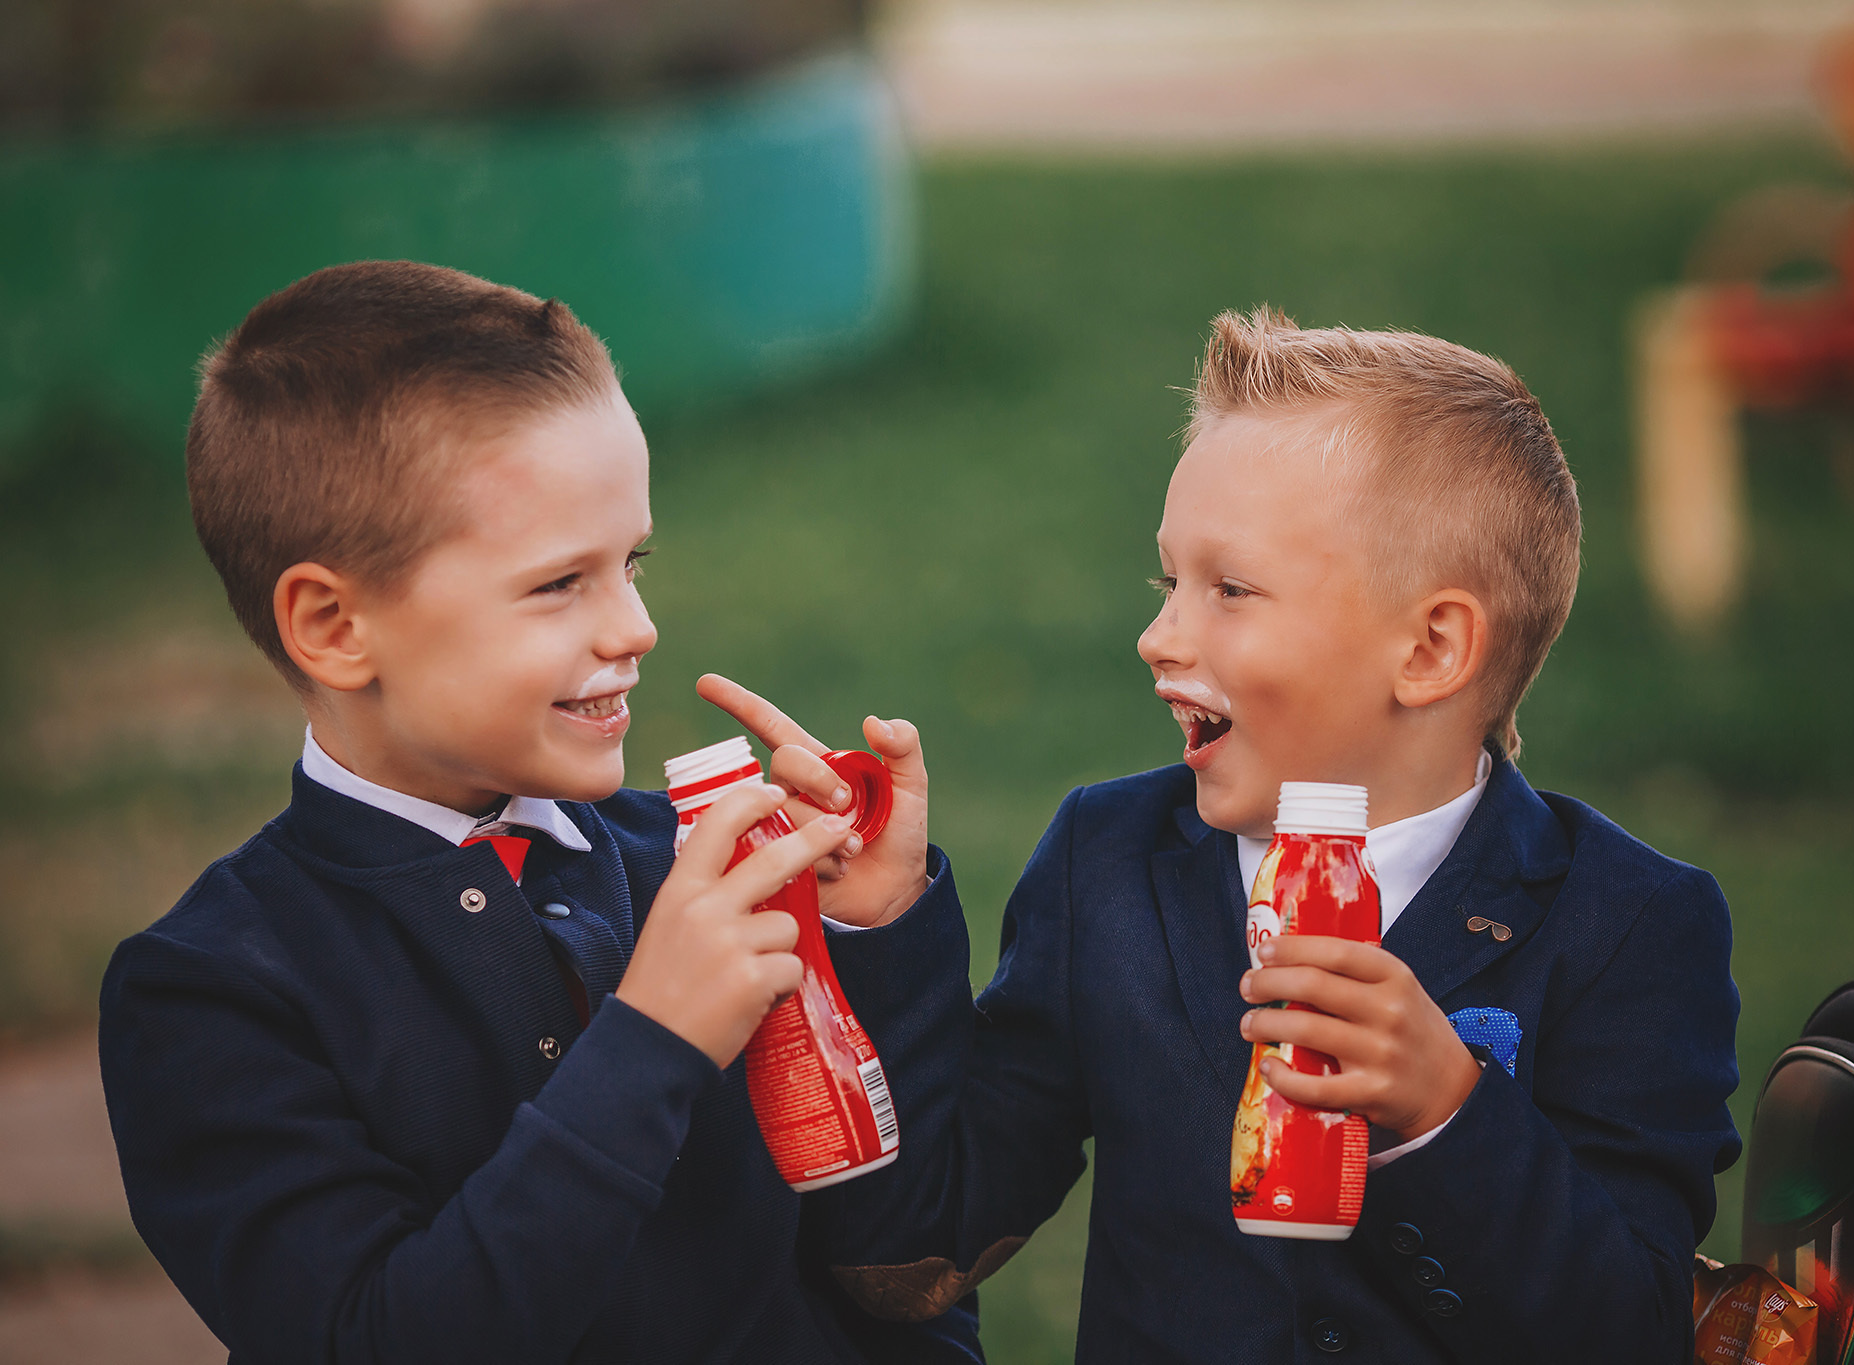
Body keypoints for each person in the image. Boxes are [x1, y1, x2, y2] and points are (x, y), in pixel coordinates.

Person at [720, 308, 1742, 1362]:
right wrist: (882, 923)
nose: (1157, 637)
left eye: (1230, 591)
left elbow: (1629, 1329)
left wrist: (1445, 1111)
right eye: (1169, 582)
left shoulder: (1629, 924)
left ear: (1430, 648)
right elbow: (913, 1254)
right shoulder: (1105, 862)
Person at [97, 261, 980, 1365]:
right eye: (560, 583)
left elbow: (911, 1267)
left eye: (632, 563)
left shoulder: (696, 869)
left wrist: (873, 936)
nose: (636, 626)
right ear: (332, 625)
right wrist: (652, 1040)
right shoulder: (211, 991)